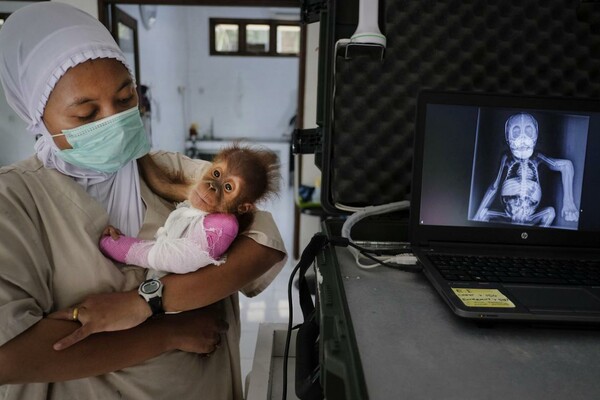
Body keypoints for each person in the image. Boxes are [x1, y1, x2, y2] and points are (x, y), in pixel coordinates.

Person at [0, 3, 287, 400]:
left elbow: (264, 246)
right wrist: (165, 332)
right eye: (86, 115)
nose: (114, 122)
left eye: (124, 99)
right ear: (37, 119)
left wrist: (145, 302)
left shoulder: (168, 172)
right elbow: (11, 355)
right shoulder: (15, 202)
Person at [99, 144, 280, 277]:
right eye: (216, 174)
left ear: (242, 207)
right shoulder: (204, 200)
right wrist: (137, 147)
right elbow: (164, 186)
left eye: (228, 187)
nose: (212, 186)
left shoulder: (219, 228)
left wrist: (118, 245)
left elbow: (166, 257)